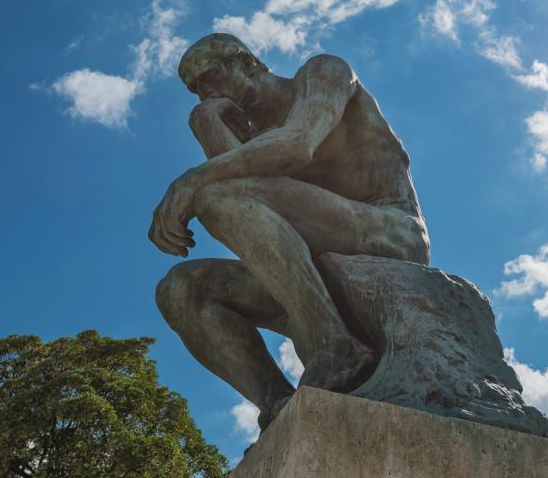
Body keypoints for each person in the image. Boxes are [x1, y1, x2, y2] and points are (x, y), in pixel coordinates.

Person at [151, 34, 430, 430]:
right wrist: (208, 121)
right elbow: (235, 193)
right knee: (181, 289)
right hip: (311, 260)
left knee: (215, 194)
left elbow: (298, 144)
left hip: (387, 232)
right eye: (195, 88)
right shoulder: (248, 136)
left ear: (246, 62)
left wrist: (190, 181)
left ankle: (335, 349)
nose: (204, 91)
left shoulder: (322, 73)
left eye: (211, 75)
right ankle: (278, 405)